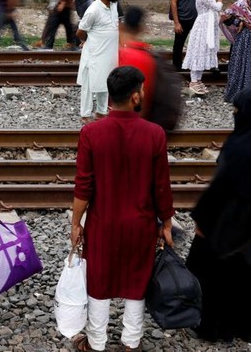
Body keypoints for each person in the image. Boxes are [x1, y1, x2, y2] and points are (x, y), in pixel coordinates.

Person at [70, 65, 174, 352]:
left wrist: (76, 223)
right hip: (140, 223)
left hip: (103, 222)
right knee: (136, 280)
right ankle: (130, 341)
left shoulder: (91, 133)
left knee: (99, 280)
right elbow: (161, 186)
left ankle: (96, 341)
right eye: (141, 89)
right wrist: (165, 222)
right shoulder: (155, 134)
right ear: (135, 97)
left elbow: (83, 186)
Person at [187, 87, 251, 343]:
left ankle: (221, 327)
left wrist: (202, 220)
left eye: (237, 110)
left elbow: (219, 191)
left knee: (220, 273)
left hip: (233, 229)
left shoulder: (239, 148)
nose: (235, 114)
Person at [76, 0, 120, 124]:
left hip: (109, 54)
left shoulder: (113, 4)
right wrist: (87, 41)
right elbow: (80, 31)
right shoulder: (93, 10)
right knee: (89, 85)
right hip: (95, 54)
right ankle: (85, 114)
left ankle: (101, 112)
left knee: (105, 83)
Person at [182, 0, 223, 96]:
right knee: (198, 50)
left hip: (207, 26)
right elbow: (217, 7)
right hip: (203, 27)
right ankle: (193, 81)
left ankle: (198, 80)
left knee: (203, 51)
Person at [169, 0, 203, 69]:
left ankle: (195, 67)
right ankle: (177, 68)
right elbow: (173, 2)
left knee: (198, 44)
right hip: (183, 19)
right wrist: (176, 22)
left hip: (197, 19)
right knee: (178, 45)